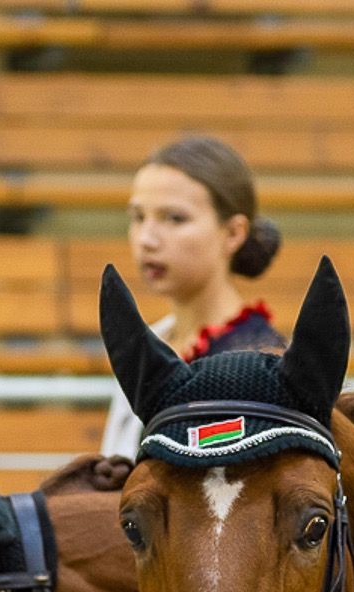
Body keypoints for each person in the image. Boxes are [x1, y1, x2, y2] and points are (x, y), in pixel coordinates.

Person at [99, 135, 286, 457]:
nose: (146, 238)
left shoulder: (261, 362)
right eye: (138, 217)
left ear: (233, 233)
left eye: (174, 218)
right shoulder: (150, 338)